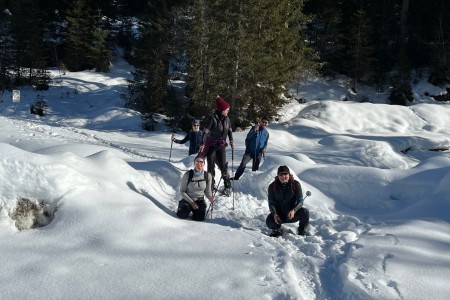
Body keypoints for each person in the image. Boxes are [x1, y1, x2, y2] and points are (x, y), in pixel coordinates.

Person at [199, 96, 234, 194]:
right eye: (227, 110)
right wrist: (202, 143)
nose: (228, 111)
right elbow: (205, 131)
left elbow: (229, 130)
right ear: (222, 110)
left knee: (223, 166)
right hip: (211, 145)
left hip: (221, 145)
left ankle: (228, 186)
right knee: (211, 167)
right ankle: (211, 185)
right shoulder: (212, 118)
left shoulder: (227, 119)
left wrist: (231, 140)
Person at [266, 165, 310, 237]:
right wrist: (274, 214)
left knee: (305, 212)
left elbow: (300, 201)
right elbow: (271, 203)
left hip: (292, 215)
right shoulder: (272, 186)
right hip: (279, 216)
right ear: (278, 175)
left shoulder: (295, 184)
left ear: (289, 174)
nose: (283, 176)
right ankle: (277, 229)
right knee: (269, 221)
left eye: (285, 174)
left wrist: (294, 210)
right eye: (281, 174)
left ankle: (302, 230)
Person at [176, 153, 214, 221]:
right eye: (197, 162)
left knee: (199, 218)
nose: (199, 164)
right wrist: (192, 203)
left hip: (199, 200)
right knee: (182, 214)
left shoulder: (207, 176)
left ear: (204, 164)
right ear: (194, 164)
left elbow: (207, 191)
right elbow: (182, 191)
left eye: (201, 162)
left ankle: (196, 212)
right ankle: (183, 207)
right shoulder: (188, 175)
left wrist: (210, 198)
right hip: (188, 200)